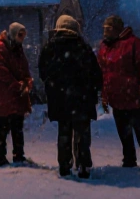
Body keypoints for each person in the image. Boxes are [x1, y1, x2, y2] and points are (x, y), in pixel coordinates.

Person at [39, 15, 102, 179]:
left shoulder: (50, 48)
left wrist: (53, 86)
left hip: (60, 99)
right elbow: (96, 74)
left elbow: (43, 71)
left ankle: (64, 165)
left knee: (64, 132)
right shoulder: (84, 48)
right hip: (82, 99)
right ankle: (83, 164)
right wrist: (93, 89)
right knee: (82, 134)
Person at [97, 14, 140, 170]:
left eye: (108, 29)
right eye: (104, 29)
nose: (105, 32)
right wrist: (105, 96)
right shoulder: (105, 47)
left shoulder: (134, 44)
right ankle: (129, 159)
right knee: (124, 133)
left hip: (134, 98)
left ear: (117, 29)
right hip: (117, 99)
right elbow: (103, 74)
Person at [0, 22, 33, 166]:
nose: (22, 38)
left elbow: (24, 69)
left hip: (15, 93)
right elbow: (1, 71)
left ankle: (18, 154)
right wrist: (17, 85)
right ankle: (1, 156)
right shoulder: (0, 49)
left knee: (17, 125)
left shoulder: (17, 50)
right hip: (4, 94)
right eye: (20, 35)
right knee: (4, 125)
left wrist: (26, 83)